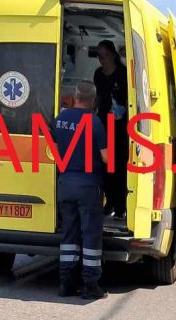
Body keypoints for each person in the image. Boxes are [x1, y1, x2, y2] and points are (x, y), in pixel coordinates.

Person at [53, 81, 109, 300]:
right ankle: (90, 285)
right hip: (88, 186)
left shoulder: (60, 120)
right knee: (90, 234)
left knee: (69, 233)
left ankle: (65, 283)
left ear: (74, 97)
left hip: (66, 183)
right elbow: (105, 157)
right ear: (94, 100)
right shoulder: (95, 123)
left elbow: (54, 150)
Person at [93, 40, 129, 219]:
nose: (102, 60)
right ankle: (109, 202)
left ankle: (121, 205)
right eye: (99, 56)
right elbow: (98, 97)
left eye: (105, 56)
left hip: (121, 126)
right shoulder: (98, 75)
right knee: (105, 165)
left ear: (113, 55)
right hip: (104, 124)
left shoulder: (123, 74)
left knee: (120, 167)